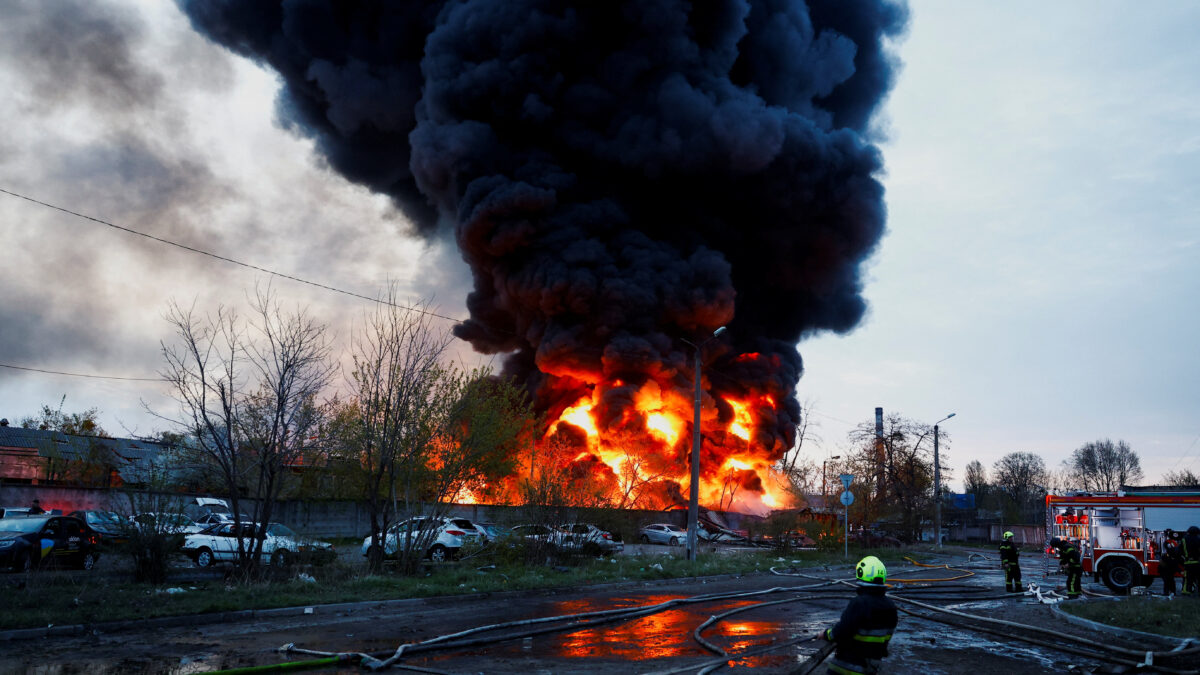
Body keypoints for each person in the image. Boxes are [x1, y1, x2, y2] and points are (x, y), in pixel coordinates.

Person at [820, 555, 898, 675]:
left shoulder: (859, 603)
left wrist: (825, 634)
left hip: (847, 666)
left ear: (861, 573)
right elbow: (886, 638)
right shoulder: (891, 606)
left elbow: (842, 631)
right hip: (871, 666)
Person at [1159, 530, 1180, 597]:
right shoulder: (1172, 542)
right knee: (1170, 579)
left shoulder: (1168, 542)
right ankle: (1171, 592)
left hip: (1168, 561)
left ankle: (1167, 592)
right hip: (1170, 561)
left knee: (1167, 579)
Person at [1183, 526, 1200, 596]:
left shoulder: (1184, 540)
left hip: (1188, 563)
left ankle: (1187, 591)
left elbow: (1179, 550)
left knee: (1188, 579)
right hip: (1197, 563)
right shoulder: (1198, 539)